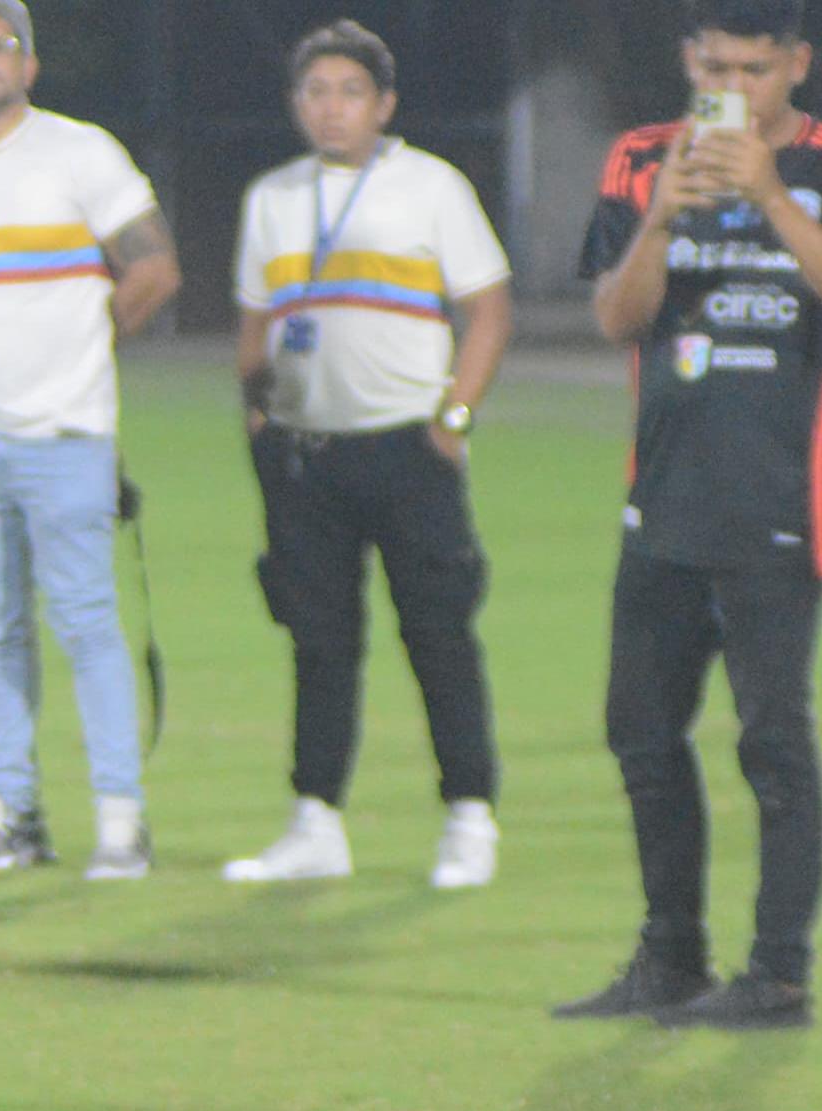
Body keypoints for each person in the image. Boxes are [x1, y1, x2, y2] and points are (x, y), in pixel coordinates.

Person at [558, 0, 822, 1031]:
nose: (731, 86)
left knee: (771, 741)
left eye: (751, 66)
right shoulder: (641, 157)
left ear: (794, 64)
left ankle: (777, 974)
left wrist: (769, 199)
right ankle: (670, 957)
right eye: (713, 64)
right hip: (660, 498)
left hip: (779, 504)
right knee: (640, 734)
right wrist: (661, 211)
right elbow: (615, 317)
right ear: (687, 60)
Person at [224, 20, 514, 889]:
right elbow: (254, 329)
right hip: (306, 456)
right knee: (318, 641)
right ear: (295, 104)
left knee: (438, 633)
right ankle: (315, 819)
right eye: (315, 92)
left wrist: (453, 420)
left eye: (350, 92)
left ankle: (469, 815)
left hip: (406, 450)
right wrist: (259, 426)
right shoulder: (272, 197)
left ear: (384, 104)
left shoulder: (432, 187)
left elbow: (490, 312)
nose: (331, 109)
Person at [0, 0, 178, 880]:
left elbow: (153, 266)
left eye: (0, 46)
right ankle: (12, 813)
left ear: (30, 67)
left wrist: (83, 348)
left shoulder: (80, 152)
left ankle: (121, 818)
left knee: (86, 625)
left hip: (68, 432)